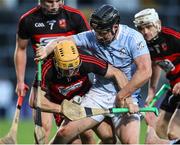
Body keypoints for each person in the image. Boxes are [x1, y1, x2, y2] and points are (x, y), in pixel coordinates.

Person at [36, 4, 152, 144]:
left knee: (130, 143)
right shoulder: (92, 36)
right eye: (95, 31)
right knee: (64, 133)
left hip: (127, 93)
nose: (98, 36)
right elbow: (63, 40)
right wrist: (46, 49)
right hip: (99, 94)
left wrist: (124, 96)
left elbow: (145, 71)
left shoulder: (133, 38)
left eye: (102, 33)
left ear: (115, 27)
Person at [14, 0, 93, 143]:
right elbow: (20, 49)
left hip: (73, 81)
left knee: (81, 136)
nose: (55, 5)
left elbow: (89, 44)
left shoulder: (75, 16)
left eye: (58, 0)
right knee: (42, 129)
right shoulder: (28, 20)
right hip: (45, 80)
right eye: (50, 2)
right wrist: (20, 81)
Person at [35, 40, 130, 143]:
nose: (71, 73)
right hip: (63, 104)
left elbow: (117, 73)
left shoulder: (85, 59)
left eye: (74, 69)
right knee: (74, 137)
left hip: (87, 99)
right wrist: (62, 109)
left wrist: (128, 100)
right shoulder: (46, 68)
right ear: (56, 62)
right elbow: (35, 101)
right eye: (66, 70)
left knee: (109, 138)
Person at [133, 8, 180, 144]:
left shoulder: (173, 37)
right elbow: (155, 65)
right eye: (141, 28)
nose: (145, 32)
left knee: (173, 133)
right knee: (158, 132)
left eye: (148, 26)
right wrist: (151, 92)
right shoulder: (146, 45)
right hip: (173, 88)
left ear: (157, 23)